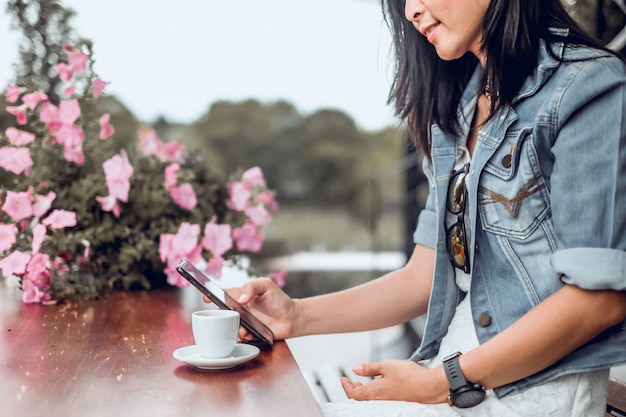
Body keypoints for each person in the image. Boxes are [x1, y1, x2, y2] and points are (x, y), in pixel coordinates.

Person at [209, 0, 626, 416]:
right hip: (457, 378)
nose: (410, 11)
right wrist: (295, 316)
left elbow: (599, 299)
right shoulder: (460, 111)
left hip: (534, 393)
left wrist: (438, 382)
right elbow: (422, 276)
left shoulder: (587, 85)